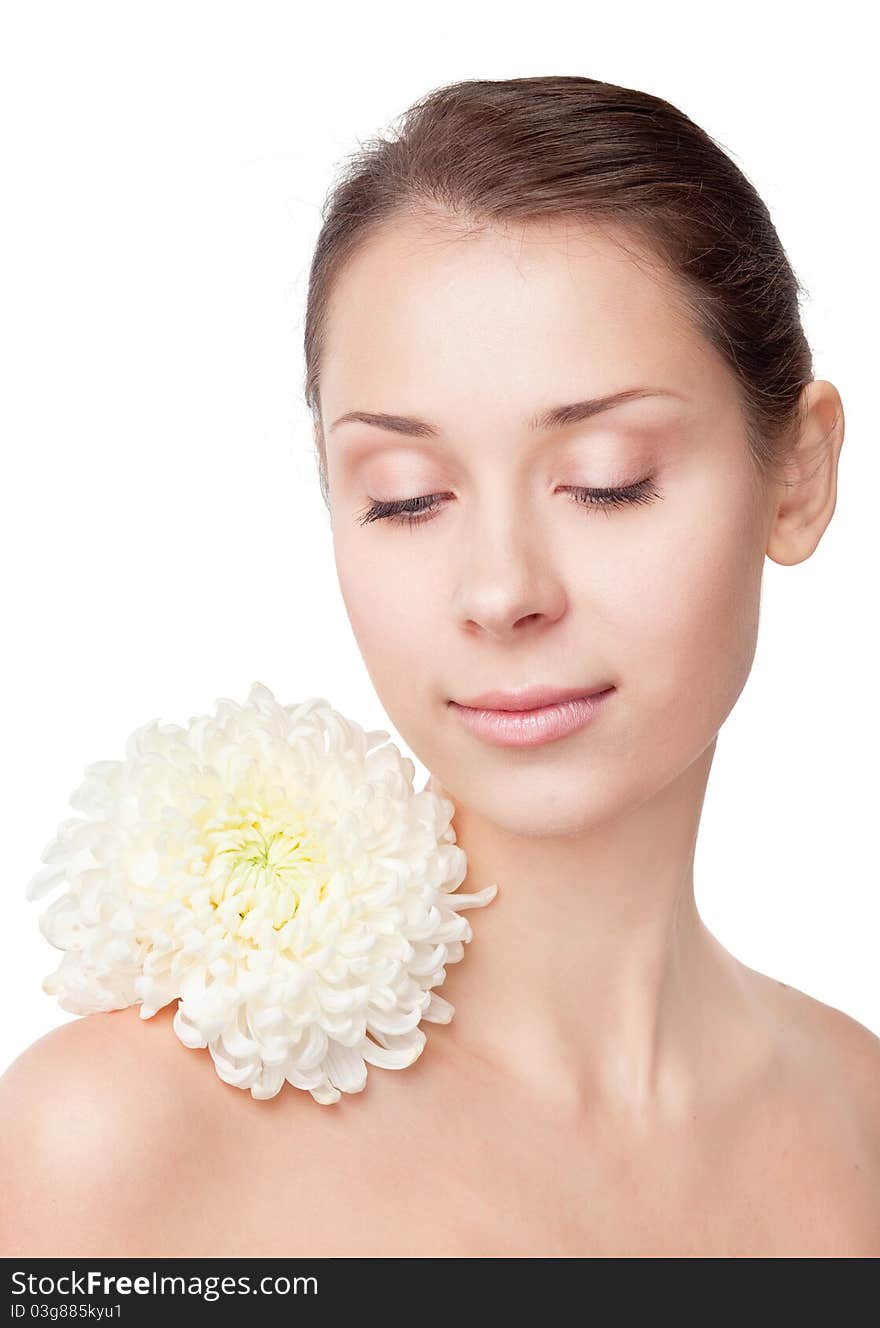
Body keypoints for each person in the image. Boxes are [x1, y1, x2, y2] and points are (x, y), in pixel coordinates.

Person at [1, 74, 877, 1258]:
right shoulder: (117, 1136)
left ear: (799, 475)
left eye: (606, 476)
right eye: (406, 499)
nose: (503, 590)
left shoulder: (859, 1121)